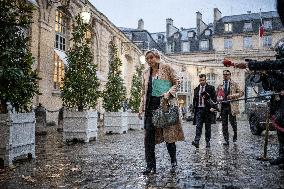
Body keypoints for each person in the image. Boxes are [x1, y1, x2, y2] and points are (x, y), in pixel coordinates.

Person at [232, 0, 284, 168]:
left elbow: (276, 68)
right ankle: (283, 155)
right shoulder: (278, 62)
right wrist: (263, 73)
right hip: (279, 100)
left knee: (282, 120)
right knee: (281, 122)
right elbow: (273, 81)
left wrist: (253, 65)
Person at [138, 49, 185, 175]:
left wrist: (169, 93)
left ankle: (173, 159)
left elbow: (177, 82)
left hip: (165, 107)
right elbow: (143, 92)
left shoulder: (166, 68)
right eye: (147, 58)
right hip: (150, 109)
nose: (149, 60)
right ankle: (150, 166)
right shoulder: (145, 73)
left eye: (151, 57)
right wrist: (140, 107)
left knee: (169, 137)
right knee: (148, 139)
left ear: (157, 57)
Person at [218, 70, 244, 145]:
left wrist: (232, 96)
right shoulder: (220, 85)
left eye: (227, 74)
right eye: (224, 74)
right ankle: (226, 140)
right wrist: (219, 97)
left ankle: (235, 136)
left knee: (233, 123)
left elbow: (241, 92)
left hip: (231, 106)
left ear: (230, 75)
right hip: (223, 106)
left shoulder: (234, 84)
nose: (225, 76)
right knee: (224, 124)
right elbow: (217, 94)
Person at [192, 74, 217, 148]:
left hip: (207, 110)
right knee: (198, 126)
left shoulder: (211, 88)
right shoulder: (196, 89)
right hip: (199, 109)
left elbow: (214, 99)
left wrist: (213, 107)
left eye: (203, 80)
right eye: (200, 80)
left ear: (206, 80)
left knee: (207, 127)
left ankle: (207, 141)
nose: (202, 81)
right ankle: (196, 141)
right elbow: (194, 100)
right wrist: (194, 108)